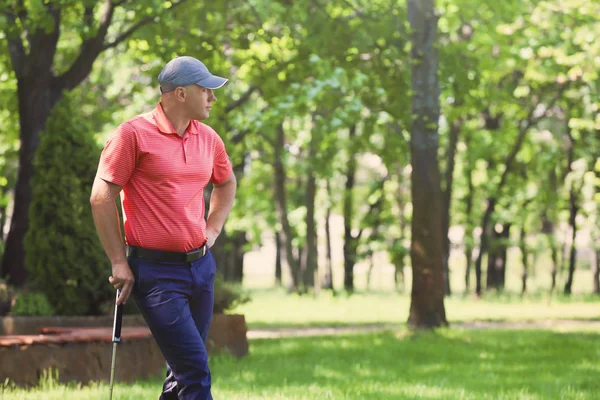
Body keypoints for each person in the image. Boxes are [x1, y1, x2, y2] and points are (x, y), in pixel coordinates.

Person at [90, 56, 237, 400]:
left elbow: (226, 183)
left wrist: (212, 229)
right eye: (207, 91)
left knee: (180, 374)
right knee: (194, 370)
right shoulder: (132, 134)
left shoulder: (209, 138)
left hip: (200, 268)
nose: (213, 98)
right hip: (155, 273)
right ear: (181, 93)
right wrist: (117, 261)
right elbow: (101, 197)